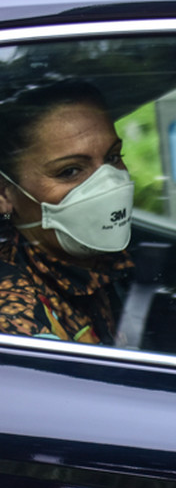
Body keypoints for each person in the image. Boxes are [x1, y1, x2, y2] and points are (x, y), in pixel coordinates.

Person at [0, 80, 134, 344]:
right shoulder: (16, 319)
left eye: (112, 158)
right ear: (5, 194)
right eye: (70, 170)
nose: (108, 184)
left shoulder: (98, 264)